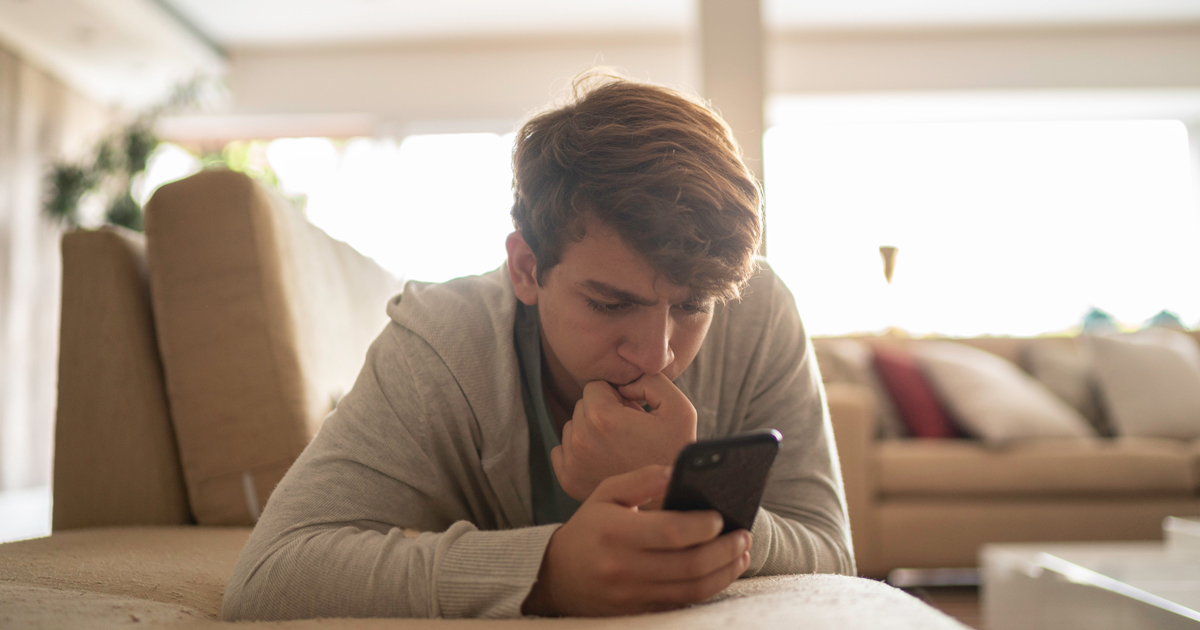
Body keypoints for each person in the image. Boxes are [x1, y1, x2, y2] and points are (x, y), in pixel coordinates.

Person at [221, 73, 854, 621]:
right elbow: (269, 573)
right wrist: (548, 572)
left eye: (692, 307)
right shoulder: (440, 342)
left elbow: (832, 549)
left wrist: (692, 495)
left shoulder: (759, 308)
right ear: (526, 268)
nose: (657, 355)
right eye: (610, 303)